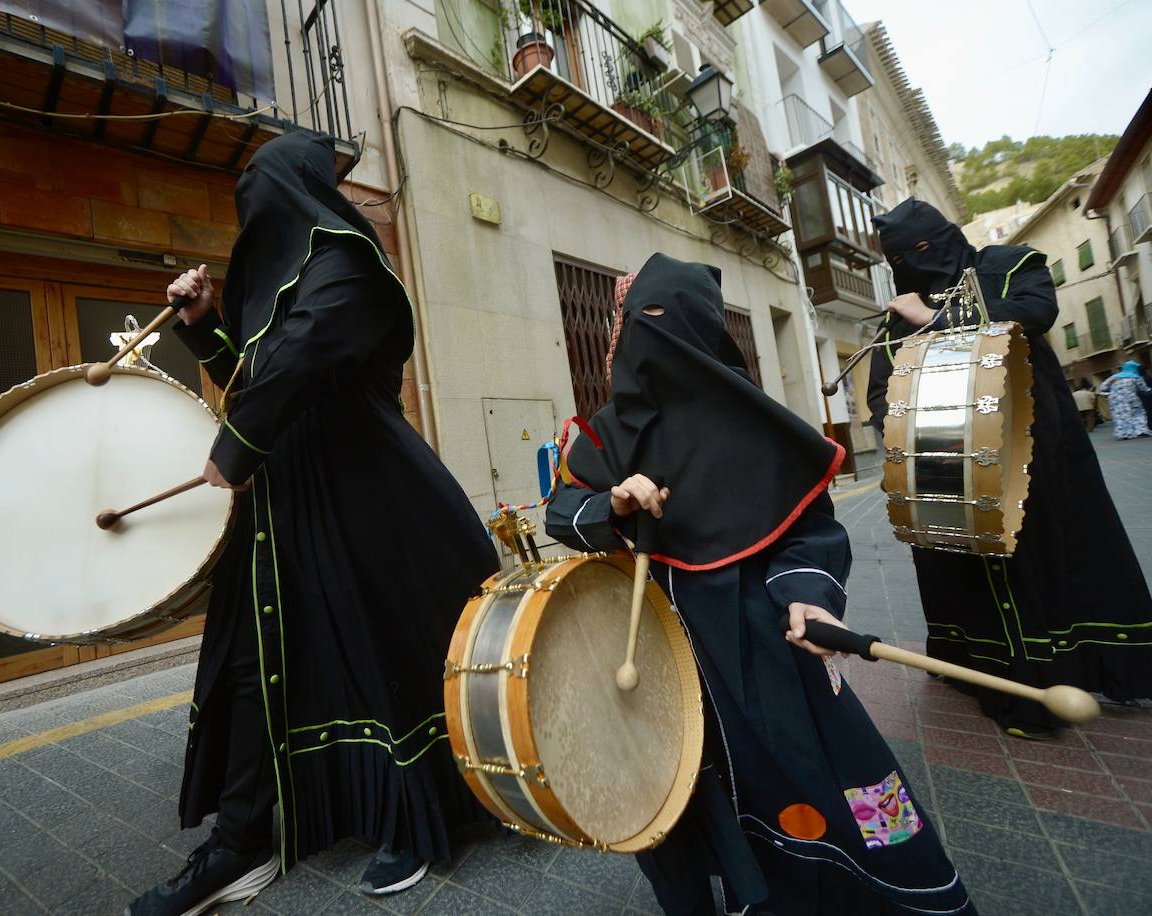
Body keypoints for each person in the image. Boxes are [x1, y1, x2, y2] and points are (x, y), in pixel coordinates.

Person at [125, 131, 498, 916]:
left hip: (369, 499)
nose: (251, 208)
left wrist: (237, 442)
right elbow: (255, 376)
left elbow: (309, 355)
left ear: (293, 191)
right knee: (257, 667)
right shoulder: (277, 292)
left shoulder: (347, 262)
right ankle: (241, 841)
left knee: (384, 655)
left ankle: (416, 816)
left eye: (261, 188)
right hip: (285, 509)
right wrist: (204, 324)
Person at [547, 254, 975, 916]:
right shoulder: (606, 434)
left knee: (818, 775)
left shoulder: (756, 427)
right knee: (670, 789)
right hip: (652, 647)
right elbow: (562, 514)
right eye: (637, 323)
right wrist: (616, 506)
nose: (646, 340)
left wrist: (808, 595)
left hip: (760, 641)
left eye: (664, 322)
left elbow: (811, 532)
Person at [866, 198, 1152, 739]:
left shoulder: (1008, 266)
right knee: (966, 568)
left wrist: (937, 319)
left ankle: (1066, 671)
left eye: (924, 249)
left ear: (947, 236)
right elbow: (884, 384)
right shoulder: (897, 313)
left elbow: (1034, 313)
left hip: (1032, 446)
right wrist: (901, 433)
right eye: (902, 257)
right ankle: (989, 673)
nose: (916, 262)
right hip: (944, 464)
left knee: (1039, 554)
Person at [1098, 361, 1152, 439]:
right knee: (1138, 413)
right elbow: (1144, 389)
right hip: (1131, 397)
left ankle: (1124, 433)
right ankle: (1140, 430)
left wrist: (1111, 391)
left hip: (1115, 399)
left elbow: (1103, 387)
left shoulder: (1114, 377)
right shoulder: (1136, 377)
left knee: (1120, 415)